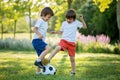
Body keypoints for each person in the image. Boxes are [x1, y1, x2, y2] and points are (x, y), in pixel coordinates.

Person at [47, 9, 87, 76]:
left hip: (71, 43)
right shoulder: (64, 23)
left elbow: (85, 27)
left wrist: (82, 19)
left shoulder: (76, 22)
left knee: (72, 59)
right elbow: (61, 31)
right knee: (58, 48)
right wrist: (55, 32)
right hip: (64, 41)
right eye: (67, 19)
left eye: (70, 19)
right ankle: (48, 59)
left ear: (73, 18)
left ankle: (73, 72)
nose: (68, 20)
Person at [32, 7, 54, 75]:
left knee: (42, 58)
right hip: (37, 40)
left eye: (50, 17)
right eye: (48, 17)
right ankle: (37, 61)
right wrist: (39, 34)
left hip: (40, 41)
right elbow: (34, 29)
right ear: (43, 15)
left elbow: (43, 30)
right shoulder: (40, 20)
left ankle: (37, 73)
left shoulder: (45, 22)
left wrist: (50, 32)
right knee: (48, 48)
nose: (49, 19)